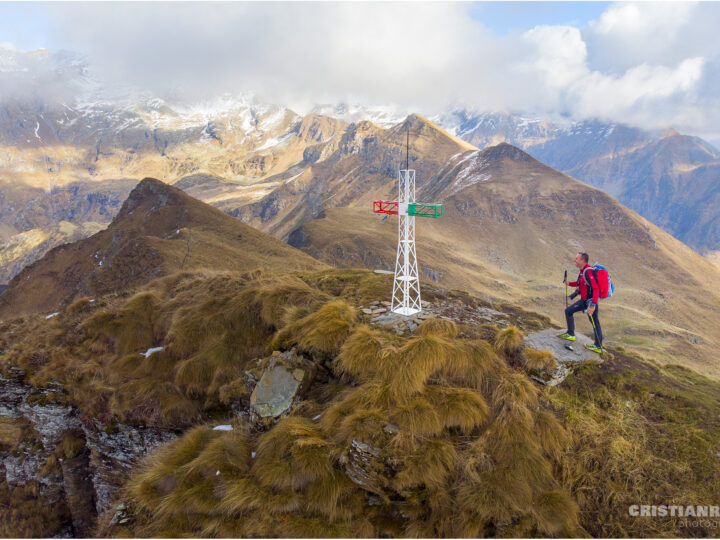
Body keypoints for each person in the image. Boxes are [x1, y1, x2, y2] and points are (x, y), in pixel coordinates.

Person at [559, 252, 603, 353]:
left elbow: (596, 289)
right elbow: (579, 283)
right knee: (593, 321)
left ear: (583, 261)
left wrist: (593, 305)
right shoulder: (582, 271)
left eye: (577, 259)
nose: (575, 260)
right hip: (585, 300)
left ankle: (597, 346)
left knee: (593, 321)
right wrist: (569, 283)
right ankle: (572, 335)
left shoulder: (588, 271)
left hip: (589, 301)